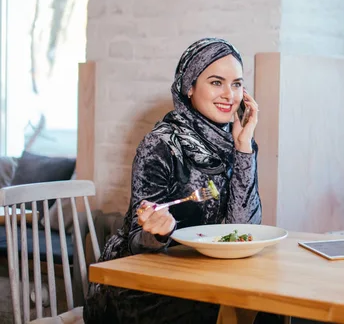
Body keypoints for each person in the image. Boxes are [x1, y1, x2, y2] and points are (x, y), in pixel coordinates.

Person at [83, 38, 276, 323]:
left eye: (236, 84)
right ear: (189, 87)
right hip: (139, 289)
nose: (229, 94)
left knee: (269, 311)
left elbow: (243, 228)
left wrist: (244, 148)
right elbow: (139, 240)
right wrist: (157, 231)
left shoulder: (234, 143)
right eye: (216, 82)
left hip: (200, 278)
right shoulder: (160, 144)